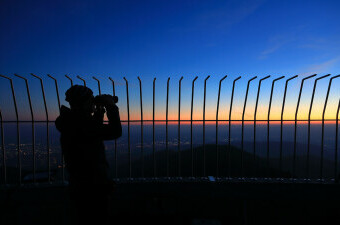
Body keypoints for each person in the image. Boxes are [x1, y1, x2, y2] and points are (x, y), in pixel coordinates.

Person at [55, 85, 122, 225]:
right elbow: (115, 131)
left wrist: (97, 114)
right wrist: (111, 106)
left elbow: (89, 137)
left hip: (80, 184)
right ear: (84, 103)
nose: (93, 102)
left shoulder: (71, 121)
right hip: (93, 187)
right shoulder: (81, 124)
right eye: (90, 100)